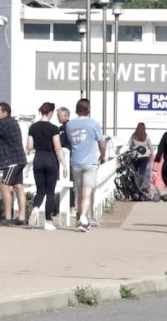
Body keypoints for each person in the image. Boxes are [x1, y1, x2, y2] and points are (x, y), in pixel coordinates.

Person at [65, 99, 105, 233]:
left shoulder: (70, 124)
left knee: (80, 191)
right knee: (87, 192)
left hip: (76, 161)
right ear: (88, 109)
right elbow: (101, 142)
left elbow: (71, 141)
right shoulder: (94, 124)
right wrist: (103, 155)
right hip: (90, 162)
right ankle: (83, 218)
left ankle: (81, 217)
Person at [0, 102, 28, 226]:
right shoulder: (13, 122)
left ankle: (8, 217)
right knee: (18, 187)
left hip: (11, 161)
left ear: (5, 113)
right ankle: (21, 217)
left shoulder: (4, 123)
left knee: (4, 186)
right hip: (19, 159)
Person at [26, 102, 67, 230]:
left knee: (40, 190)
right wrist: (64, 164)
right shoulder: (53, 128)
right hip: (50, 160)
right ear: (50, 112)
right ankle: (48, 221)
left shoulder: (33, 127)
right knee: (50, 191)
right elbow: (58, 148)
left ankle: (36, 208)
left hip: (38, 159)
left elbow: (29, 146)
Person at [56, 107, 76, 217]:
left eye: (59, 115)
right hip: (68, 158)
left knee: (68, 182)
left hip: (67, 158)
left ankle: (70, 208)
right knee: (68, 182)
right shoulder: (66, 127)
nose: (57, 117)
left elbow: (62, 144)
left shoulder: (65, 128)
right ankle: (69, 208)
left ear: (65, 115)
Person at [128, 123, 153, 193]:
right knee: (143, 173)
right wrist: (152, 155)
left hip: (135, 157)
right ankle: (143, 187)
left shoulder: (133, 136)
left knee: (135, 172)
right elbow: (150, 146)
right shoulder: (146, 136)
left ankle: (136, 187)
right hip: (145, 157)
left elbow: (129, 145)